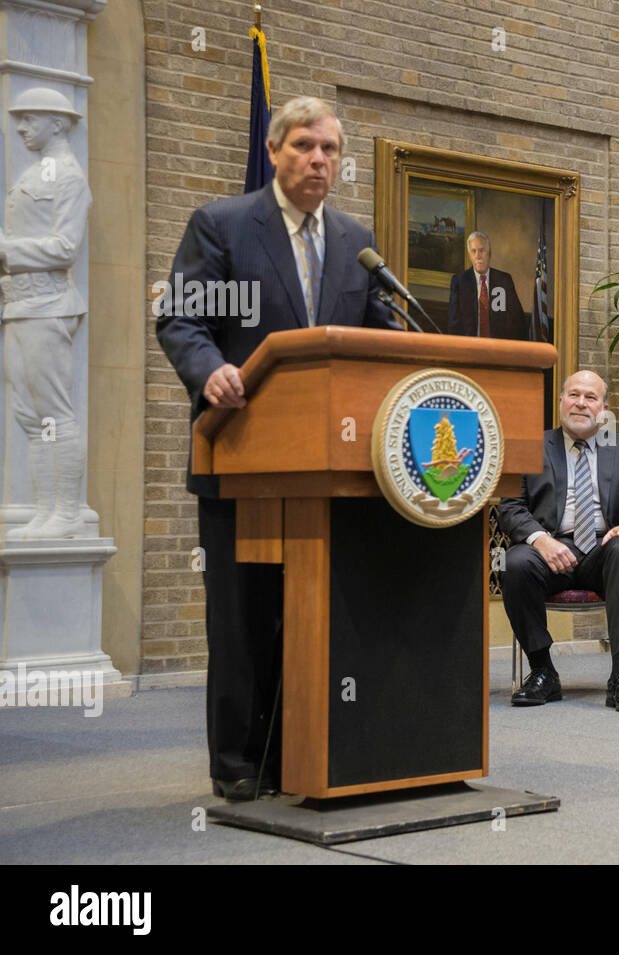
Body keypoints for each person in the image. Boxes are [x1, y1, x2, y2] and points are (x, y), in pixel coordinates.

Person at [156, 96, 400, 801]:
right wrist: (211, 372)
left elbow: (377, 341)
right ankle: (237, 760)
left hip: (330, 474)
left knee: (313, 617)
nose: (318, 159)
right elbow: (180, 315)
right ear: (274, 151)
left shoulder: (357, 241)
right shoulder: (225, 226)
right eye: (303, 146)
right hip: (243, 457)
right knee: (242, 616)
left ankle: (298, 751)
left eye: (329, 148)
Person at [496, 370, 619, 712]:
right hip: (553, 548)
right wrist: (540, 540)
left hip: (605, 550)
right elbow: (511, 507)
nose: (581, 403)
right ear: (560, 401)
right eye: (574, 395)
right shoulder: (531, 446)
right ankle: (542, 670)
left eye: (590, 397)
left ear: (604, 407)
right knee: (516, 562)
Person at [0, 88, 93, 539]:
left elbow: (65, 246)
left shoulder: (69, 177)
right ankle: (46, 511)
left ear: (57, 123)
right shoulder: (37, 174)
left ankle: (67, 513)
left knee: (53, 413)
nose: (21, 128)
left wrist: (7, 249)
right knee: (29, 418)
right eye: (19, 120)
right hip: (19, 305)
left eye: (29, 119)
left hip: (46, 304)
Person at [446, 231, 526, 339]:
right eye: (473, 251)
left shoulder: (503, 281)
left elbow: (517, 321)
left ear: (489, 253)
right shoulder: (459, 282)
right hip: (469, 348)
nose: (478, 256)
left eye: (482, 250)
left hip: (498, 349)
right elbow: (453, 326)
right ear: (470, 255)